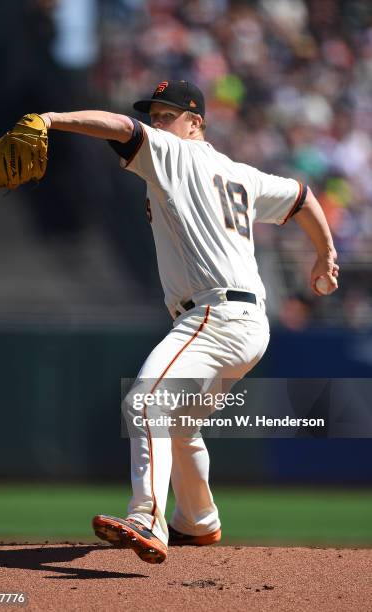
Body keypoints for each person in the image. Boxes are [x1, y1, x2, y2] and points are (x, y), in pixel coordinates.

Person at [39, 80, 339, 564]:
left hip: (214, 316)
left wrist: (51, 120)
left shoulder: (174, 154)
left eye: (166, 115)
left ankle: (147, 518)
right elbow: (303, 197)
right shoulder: (242, 174)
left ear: (195, 122)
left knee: (146, 402)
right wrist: (325, 253)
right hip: (247, 323)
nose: (157, 125)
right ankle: (197, 522)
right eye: (154, 117)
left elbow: (118, 125)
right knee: (179, 424)